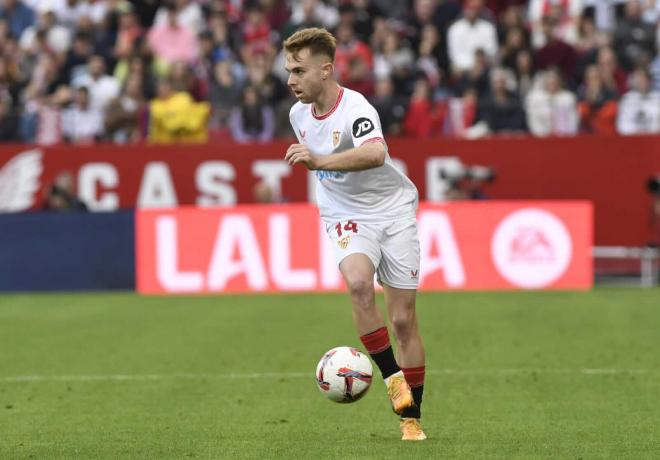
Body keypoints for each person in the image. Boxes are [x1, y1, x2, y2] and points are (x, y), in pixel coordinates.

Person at [283, 28, 426, 441]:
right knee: (360, 285)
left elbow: (376, 153)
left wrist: (321, 159)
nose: (291, 80)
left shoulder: (356, 108)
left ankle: (412, 419)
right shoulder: (298, 115)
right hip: (345, 214)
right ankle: (392, 381)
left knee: (402, 321)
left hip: (393, 212)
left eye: (299, 70)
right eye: (288, 70)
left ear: (326, 70)